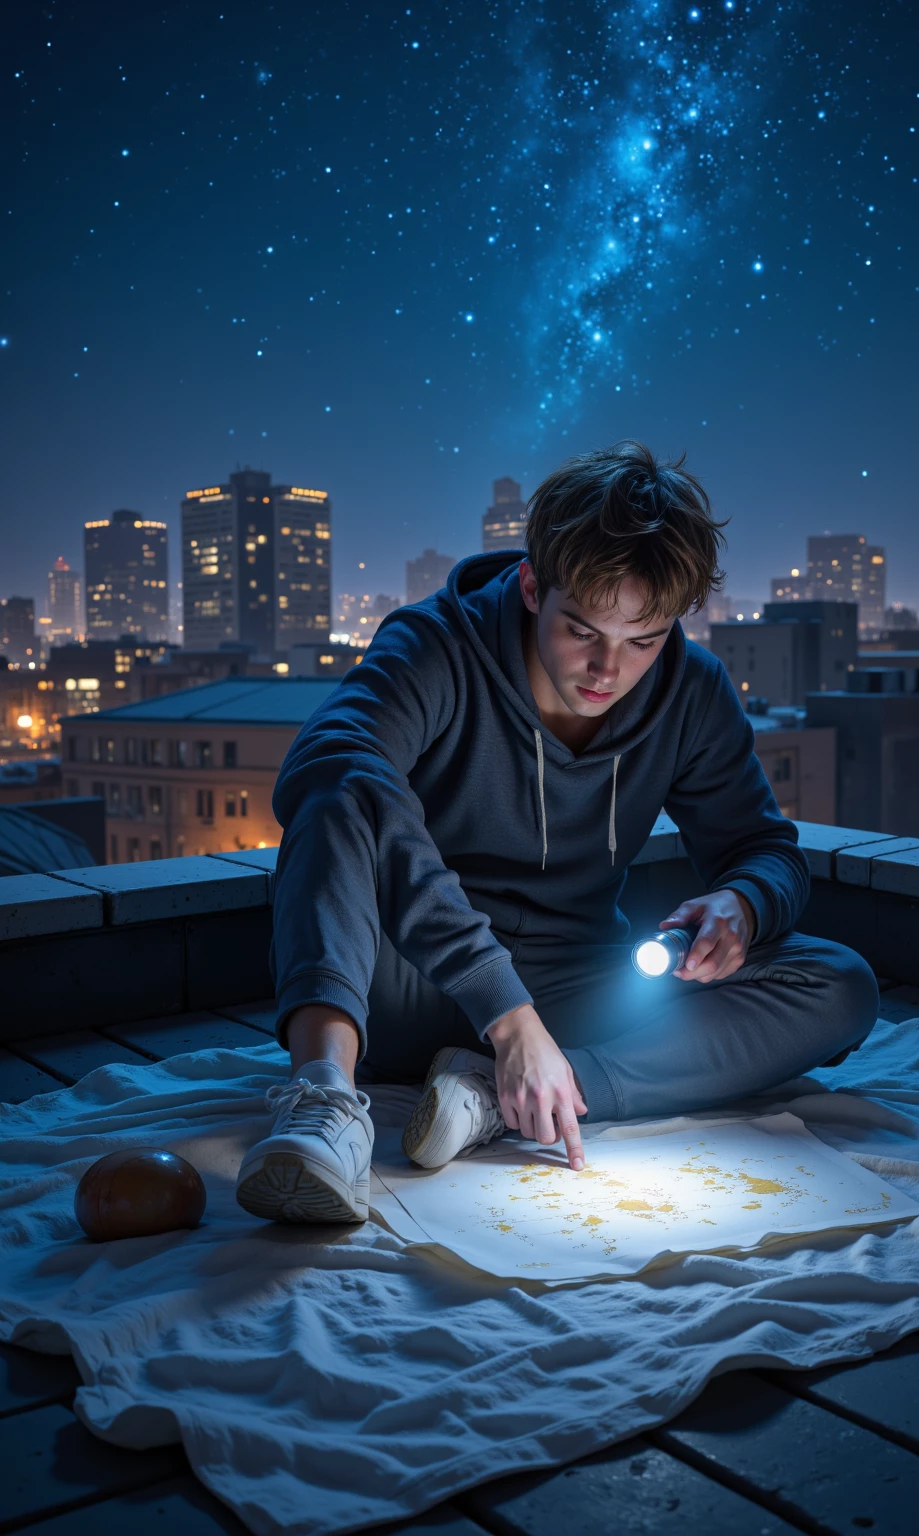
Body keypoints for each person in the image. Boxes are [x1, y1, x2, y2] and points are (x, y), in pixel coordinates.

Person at [235, 441, 879, 1224]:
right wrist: (505, 1012)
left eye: (643, 640)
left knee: (838, 983)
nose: (609, 669)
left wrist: (743, 904)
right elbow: (330, 762)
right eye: (583, 631)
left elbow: (765, 849)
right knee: (337, 786)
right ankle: (324, 1104)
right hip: (400, 983)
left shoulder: (692, 691)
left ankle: (514, 1094)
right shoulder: (437, 645)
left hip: (574, 986)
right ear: (534, 587)